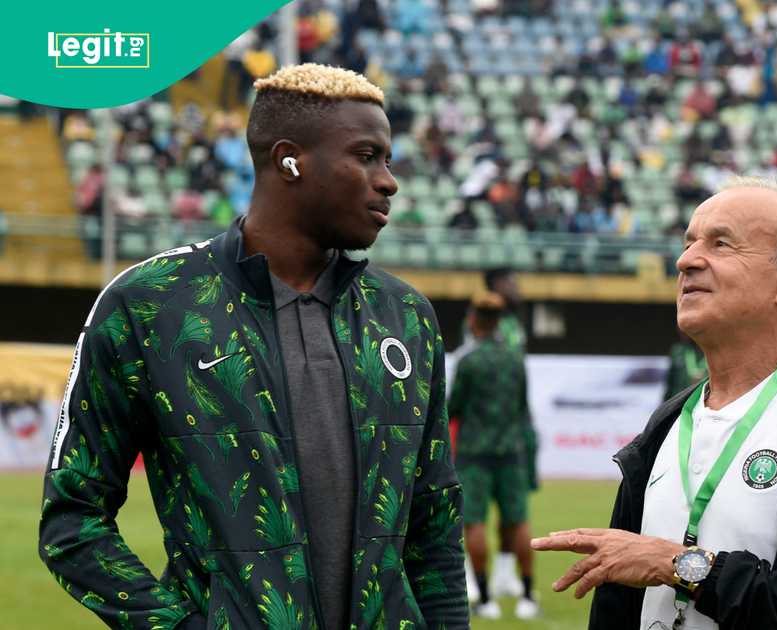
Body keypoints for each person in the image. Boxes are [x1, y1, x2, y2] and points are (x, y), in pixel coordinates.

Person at [39, 64, 467, 630]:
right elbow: (72, 518)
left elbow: (434, 530)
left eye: (386, 160)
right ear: (288, 160)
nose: (388, 180)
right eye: (367, 156)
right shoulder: (153, 306)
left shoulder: (406, 317)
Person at [532, 176, 777, 629]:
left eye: (720, 244)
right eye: (689, 242)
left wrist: (680, 565)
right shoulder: (666, 424)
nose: (685, 260)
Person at [450, 292, 538, 620]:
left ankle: (485, 599)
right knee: (518, 521)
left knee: (474, 523)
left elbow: (454, 407)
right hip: (511, 450)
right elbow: (522, 406)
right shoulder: (516, 358)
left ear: (473, 320)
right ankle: (528, 596)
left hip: (474, 453)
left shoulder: (468, 361)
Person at [663, 334, 707, 402]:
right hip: (679, 402)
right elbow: (670, 383)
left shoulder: (716, 352)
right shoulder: (678, 351)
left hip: (705, 402)